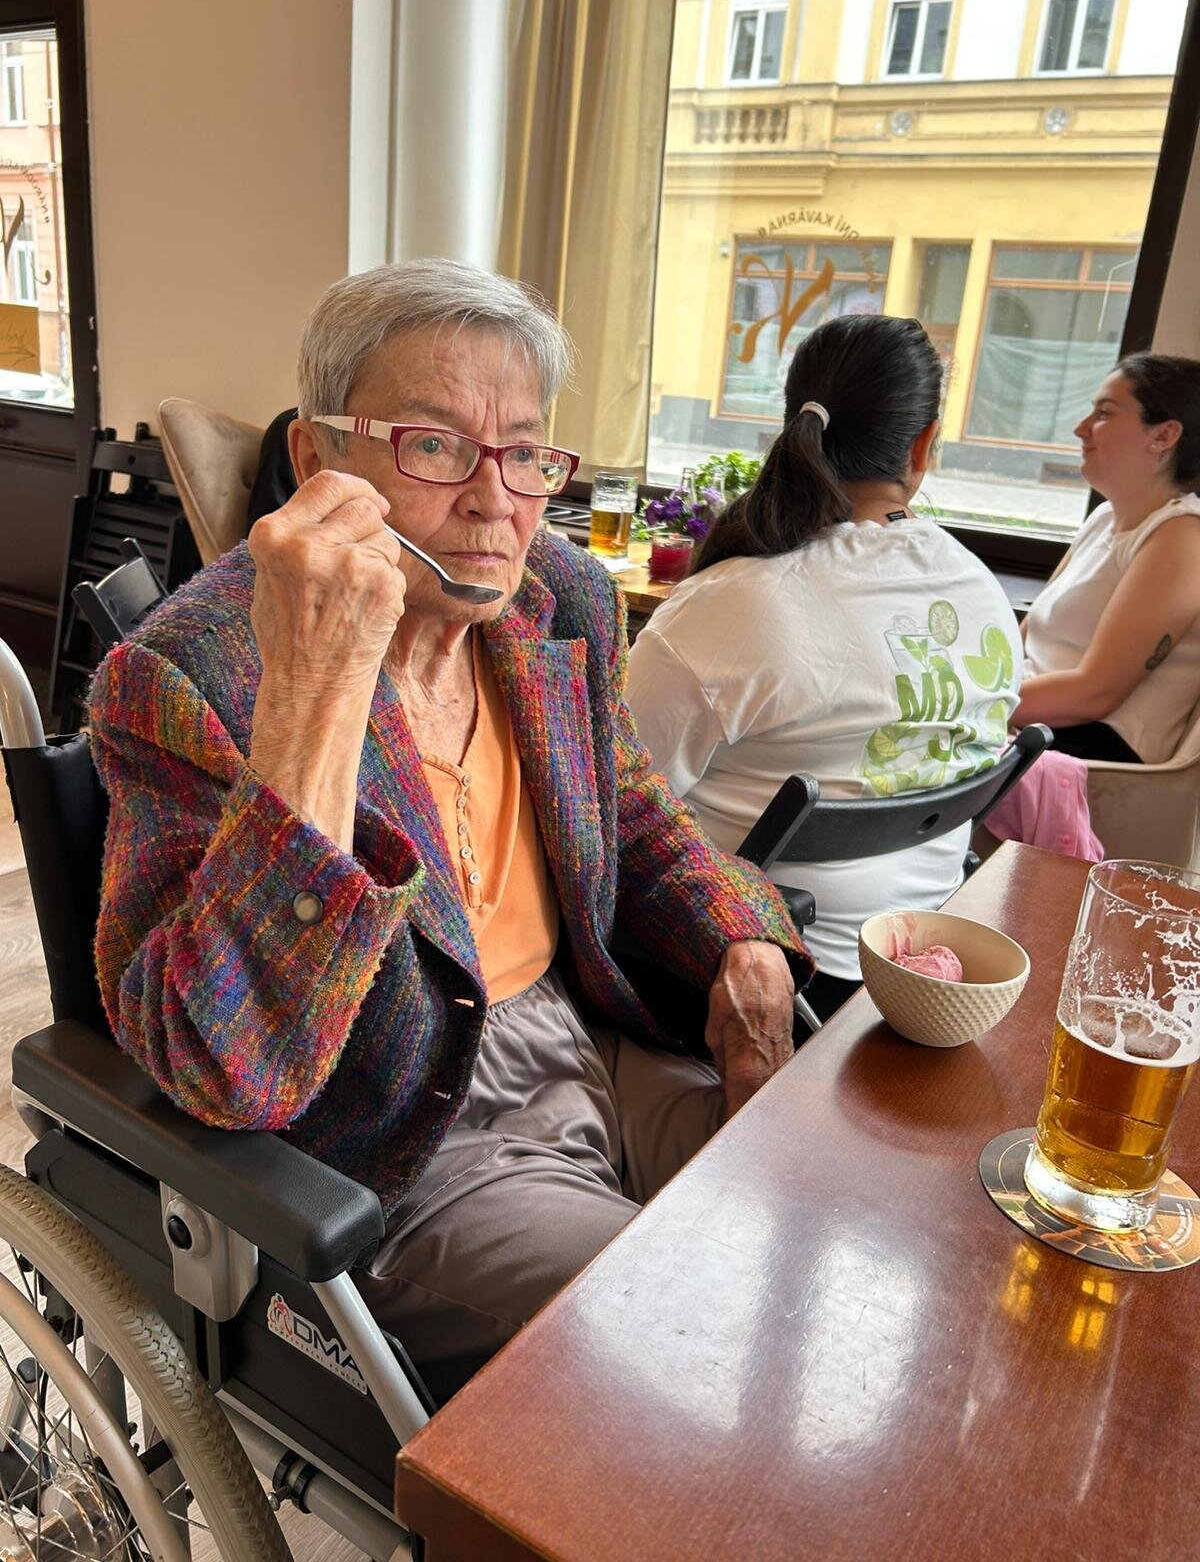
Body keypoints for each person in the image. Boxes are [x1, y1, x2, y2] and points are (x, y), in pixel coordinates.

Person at [89, 259, 810, 1402]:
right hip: (411, 1125)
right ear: (318, 460)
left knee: (823, 1227)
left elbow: (628, 815)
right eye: (434, 445)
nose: (494, 500)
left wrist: (741, 939)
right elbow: (221, 1061)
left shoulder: (558, 598)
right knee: (691, 1333)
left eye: (523, 452)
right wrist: (315, 694)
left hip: (592, 1039)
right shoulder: (191, 671)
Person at [626, 314, 1021, 1020]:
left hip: (755, 973)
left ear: (795, 424)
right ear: (923, 444)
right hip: (923, 970)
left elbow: (605, 800)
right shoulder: (980, 590)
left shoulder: (731, 606)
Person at [1013, 354, 1200, 764]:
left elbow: (1094, 694)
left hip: (1093, 749)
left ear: (1164, 435)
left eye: (1104, 413)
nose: (1081, 428)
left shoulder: (1182, 537)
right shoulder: (1103, 518)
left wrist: (968, 705)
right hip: (1036, 723)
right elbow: (1022, 640)